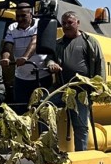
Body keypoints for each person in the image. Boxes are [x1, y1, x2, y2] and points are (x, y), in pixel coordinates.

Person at [45, 11, 105, 151]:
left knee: (80, 125)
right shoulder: (58, 44)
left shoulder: (89, 42)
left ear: (78, 23)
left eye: (70, 23)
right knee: (44, 108)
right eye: (64, 23)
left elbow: (99, 64)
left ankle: (81, 155)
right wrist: (50, 64)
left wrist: (98, 88)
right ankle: (48, 150)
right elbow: (49, 58)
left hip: (81, 91)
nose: (66, 26)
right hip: (61, 88)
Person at [1, 2, 48, 104]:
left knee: (40, 108)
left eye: (23, 16)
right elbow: (8, 44)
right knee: (21, 108)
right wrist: (6, 58)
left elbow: (34, 42)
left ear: (31, 14)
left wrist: (25, 58)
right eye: (18, 16)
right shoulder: (12, 27)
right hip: (21, 77)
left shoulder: (39, 24)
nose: (20, 19)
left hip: (40, 76)